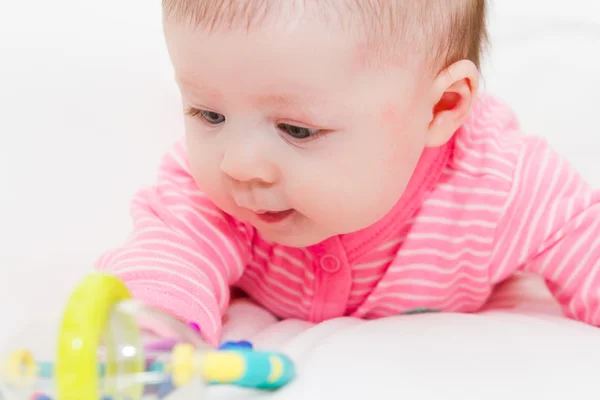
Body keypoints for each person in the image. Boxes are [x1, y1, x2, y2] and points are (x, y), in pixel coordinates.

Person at [96, 0, 600, 347]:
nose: (238, 164)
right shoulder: (212, 195)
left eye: (295, 129)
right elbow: (171, 253)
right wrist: (151, 326)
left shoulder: (499, 185)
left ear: (440, 108)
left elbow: (586, 240)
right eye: (209, 115)